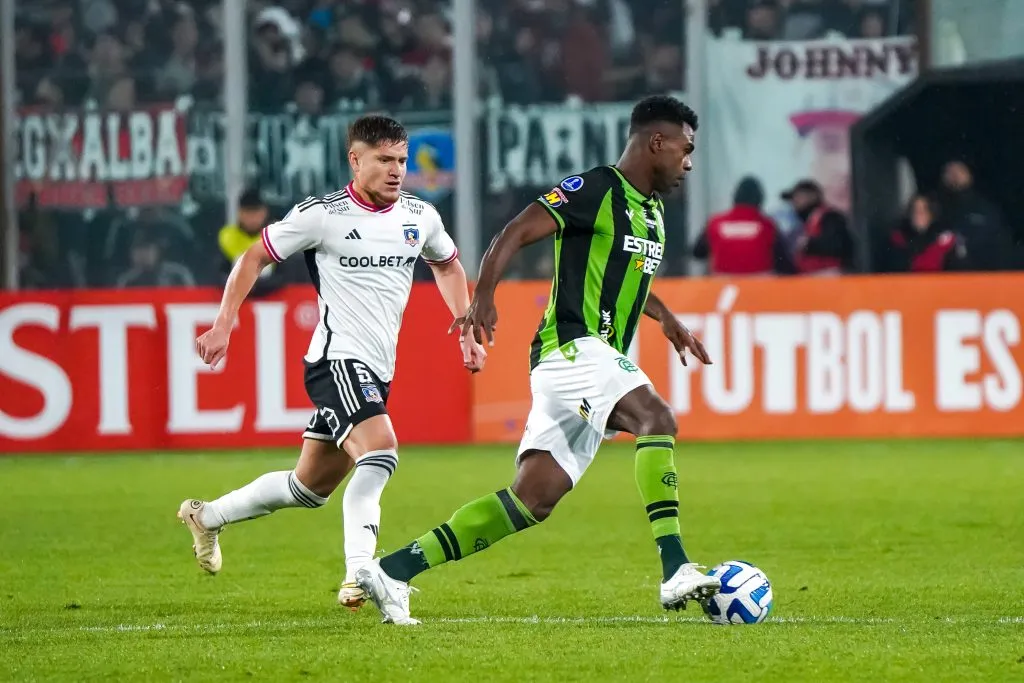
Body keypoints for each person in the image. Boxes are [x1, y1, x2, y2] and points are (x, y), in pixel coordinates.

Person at [356, 95, 720, 626]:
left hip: (583, 362)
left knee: (533, 499)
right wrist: (483, 294)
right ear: (656, 143)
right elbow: (516, 231)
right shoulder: (594, 189)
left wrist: (665, 317)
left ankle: (392, 570)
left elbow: (628, 275)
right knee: (657, 419)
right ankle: (675, 568)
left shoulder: (653, 211)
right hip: (572, 347)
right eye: (685, 150)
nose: (688, 163)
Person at [178, 115, 486, 612]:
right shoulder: (322, 215)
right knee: (380, 452)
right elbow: (254, 257)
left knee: (308, 487)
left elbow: (447, 264)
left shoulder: (420, 216)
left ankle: (206, 516)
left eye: (402, 160)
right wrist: (223, 324)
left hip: (377, 370)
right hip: (336, 361)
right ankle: (361, 572)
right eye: (384, 159)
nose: (397, 170)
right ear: (355, 160)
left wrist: (465, 324)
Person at [693, 176, 796, 276]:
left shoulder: (715, 223)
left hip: (724, 283)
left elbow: (697, 252)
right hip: (760, 282)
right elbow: (784, 262)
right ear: (760, 199)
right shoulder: (767, 226)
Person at [217, 187, 290, 296]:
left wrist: (258, 286)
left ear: (264, 212)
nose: (252, 219)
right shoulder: (227, 237)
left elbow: (286, 275)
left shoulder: (275, 236)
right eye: (248, 213)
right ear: (239, 213)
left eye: (256, 213)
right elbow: (218, 275)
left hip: (273, 299)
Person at [780, 179, 855, 275]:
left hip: (830, 274)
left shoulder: (830, 217)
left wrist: (809, 244)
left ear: (813, 197)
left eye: (798, 197)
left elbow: (838, 245)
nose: (794, 202)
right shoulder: (806, 222)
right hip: (811, 276)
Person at [888, 194, 963, 273]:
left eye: (924, 210)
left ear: (932, 214)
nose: (918, 215)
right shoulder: (898, 240)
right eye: (915, 210)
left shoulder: (945, 242)